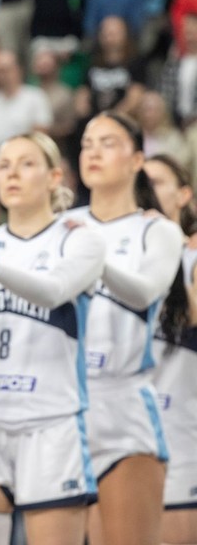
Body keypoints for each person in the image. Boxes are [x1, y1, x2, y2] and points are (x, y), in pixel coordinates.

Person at [0, 132, 105, 545]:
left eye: (26, 164)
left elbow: (54, 290)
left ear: (54, 176)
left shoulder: (79, 239)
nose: (12, 174)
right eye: (4, 165)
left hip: (49, 419)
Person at [70, 111, 184, 545]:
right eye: (86, 143)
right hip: (57, 409)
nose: (94, 151)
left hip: (122, 408)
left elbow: (145, 292)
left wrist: (93, 260)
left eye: (108, 142)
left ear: (137, 160)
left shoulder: (156, 230)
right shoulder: (62, 224)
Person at [142, 154, 197, 545]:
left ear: (184, 195)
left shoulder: (192, 253)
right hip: (123, 424)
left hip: (181, 424)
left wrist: (173, 246)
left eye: (157, 182)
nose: (147, 191)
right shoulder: (116, 255)